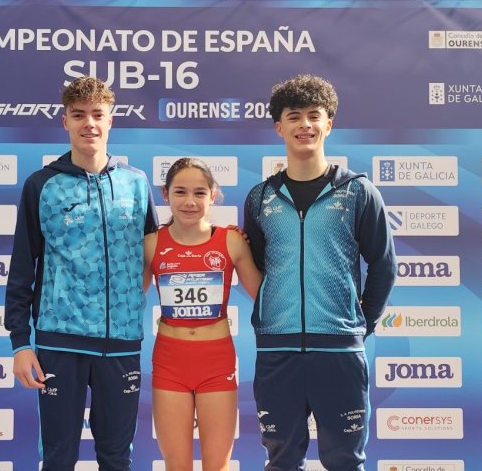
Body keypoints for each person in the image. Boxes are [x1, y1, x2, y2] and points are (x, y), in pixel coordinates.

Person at [243, 75, 397, 471]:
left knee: (345, 461)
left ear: (329, 124)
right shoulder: (261, 198)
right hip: (277, 349)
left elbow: (383, 264)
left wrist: (360, 324)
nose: (305, 125)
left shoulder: (358, 192)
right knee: (280, 460)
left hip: (339, 349)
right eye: (294, 117)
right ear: (279, 127)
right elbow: (262, 266)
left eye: (315, 116)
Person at [4, 76, 158, 471]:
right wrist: (21, 343)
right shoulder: (42, 185)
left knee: (116, 459)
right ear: (65, 122)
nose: (89, 123)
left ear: (111, 121)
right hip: (60, 344)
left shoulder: (136, 184)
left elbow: (155, 256)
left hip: (122, 344)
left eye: (97, 115)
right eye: (79, 115)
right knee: (58, 459)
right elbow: (23, 266)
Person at [144, 157, 262, 471]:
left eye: (199, 192)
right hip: (170, 361)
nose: (190, 201)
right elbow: (126, 300)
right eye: (180, 192)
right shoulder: (152, 244)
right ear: (166, 195)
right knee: (177, 465)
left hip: (216, 361)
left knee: (217, 465)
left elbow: (265, 297)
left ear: (213, 195)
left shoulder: (232, 240)